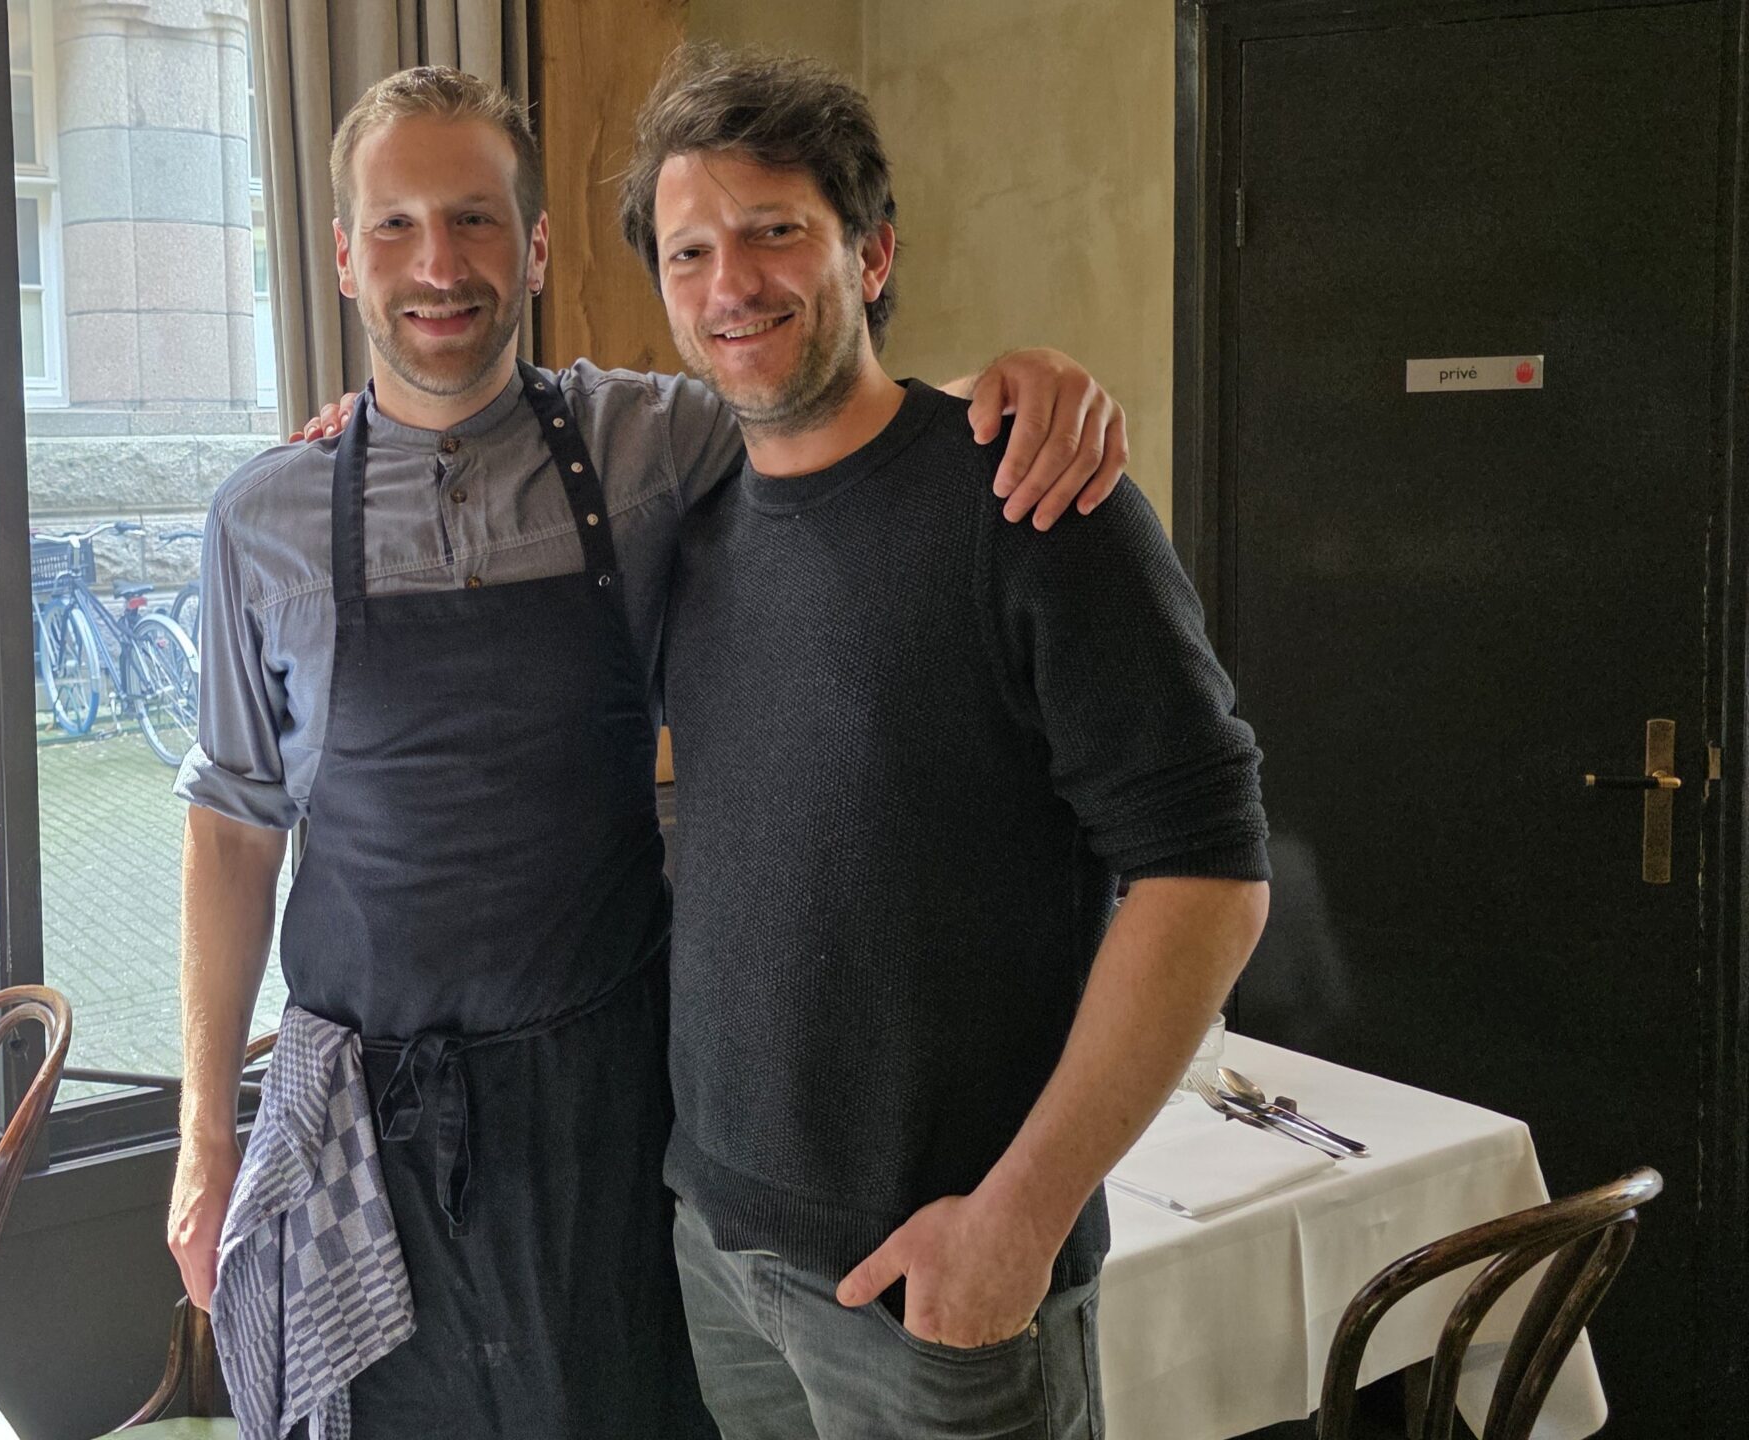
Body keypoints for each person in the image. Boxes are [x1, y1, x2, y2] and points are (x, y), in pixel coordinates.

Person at [169, 66, 1127, 1440]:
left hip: (612, 1106)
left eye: (477, 221)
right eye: (394, 228)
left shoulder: (645, 442)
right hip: (362, 1124)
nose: (439, 267)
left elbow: (828, 404)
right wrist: (208, 1139)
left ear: (539, 248)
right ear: (340, 257)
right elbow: (231, 825)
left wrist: (1014, 388)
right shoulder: (259, 518)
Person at [624, 46, 1273, 1439]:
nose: (730, 283)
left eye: (774, 230)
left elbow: (1209, 875)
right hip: (721, 1253)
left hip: (943, 1294)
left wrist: (1017, 1224)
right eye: (689, 251)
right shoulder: (691, 536)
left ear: (872, 252)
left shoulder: (1034, 498)